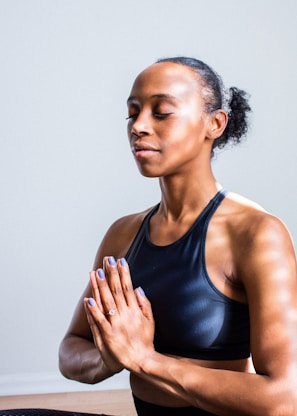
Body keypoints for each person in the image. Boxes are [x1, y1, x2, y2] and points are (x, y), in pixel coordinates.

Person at [58, 57, 297, 415]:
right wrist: (110, 358)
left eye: (162, 112)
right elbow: (71, 348)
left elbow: (283, 398)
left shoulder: (257, 234)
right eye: (132, 113)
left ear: (214, 124)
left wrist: (146, 360)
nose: (138, 126)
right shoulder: (122, 234)